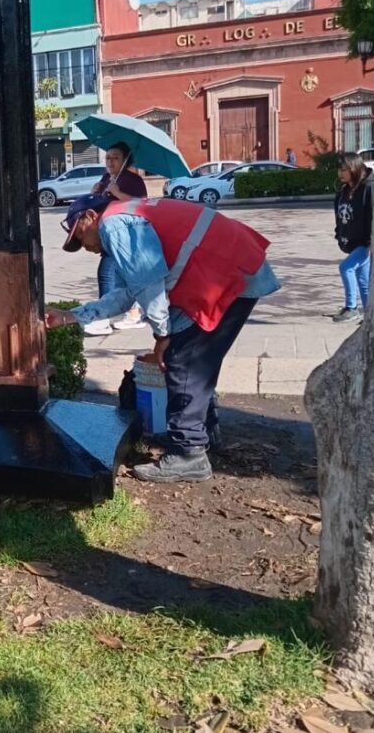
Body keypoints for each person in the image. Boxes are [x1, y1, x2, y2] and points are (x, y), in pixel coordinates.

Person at [47, 194, 281, 483]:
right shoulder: (128, 215)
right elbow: (127, 295)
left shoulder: (115, 225)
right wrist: (71, 316)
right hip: (234, 267)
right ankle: (203, 432)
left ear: (90, 217)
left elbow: (149, 286)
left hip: (226, 274)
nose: (87, 248)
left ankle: (188, 453)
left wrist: (162, 335)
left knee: (183, 360)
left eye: (81, 238)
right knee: (197, 359)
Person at [83, 143, 148, 337]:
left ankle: (101, 319)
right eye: (108, 157)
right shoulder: (106, 178)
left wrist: (118, 192)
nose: (110, 161)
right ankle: (135, 313)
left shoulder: (133, 180)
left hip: (124, 233)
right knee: (122, 277)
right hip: (106, 232)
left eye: (115, 158)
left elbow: (142, 205)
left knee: (106, 273)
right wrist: (95, 192)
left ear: (125, 160)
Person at [332, 152, 373, 324]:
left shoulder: (368, 188)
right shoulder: (343, 192)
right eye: (339, 170)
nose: (340, 173)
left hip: (364, 243)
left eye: (344, 169)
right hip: (350, 242)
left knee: (346, 268)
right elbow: (339, 215)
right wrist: (339, 233)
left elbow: (371, 214)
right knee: (363, 280)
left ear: (354, 168)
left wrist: (371, 239)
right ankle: (371, 315)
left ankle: (351, 308)